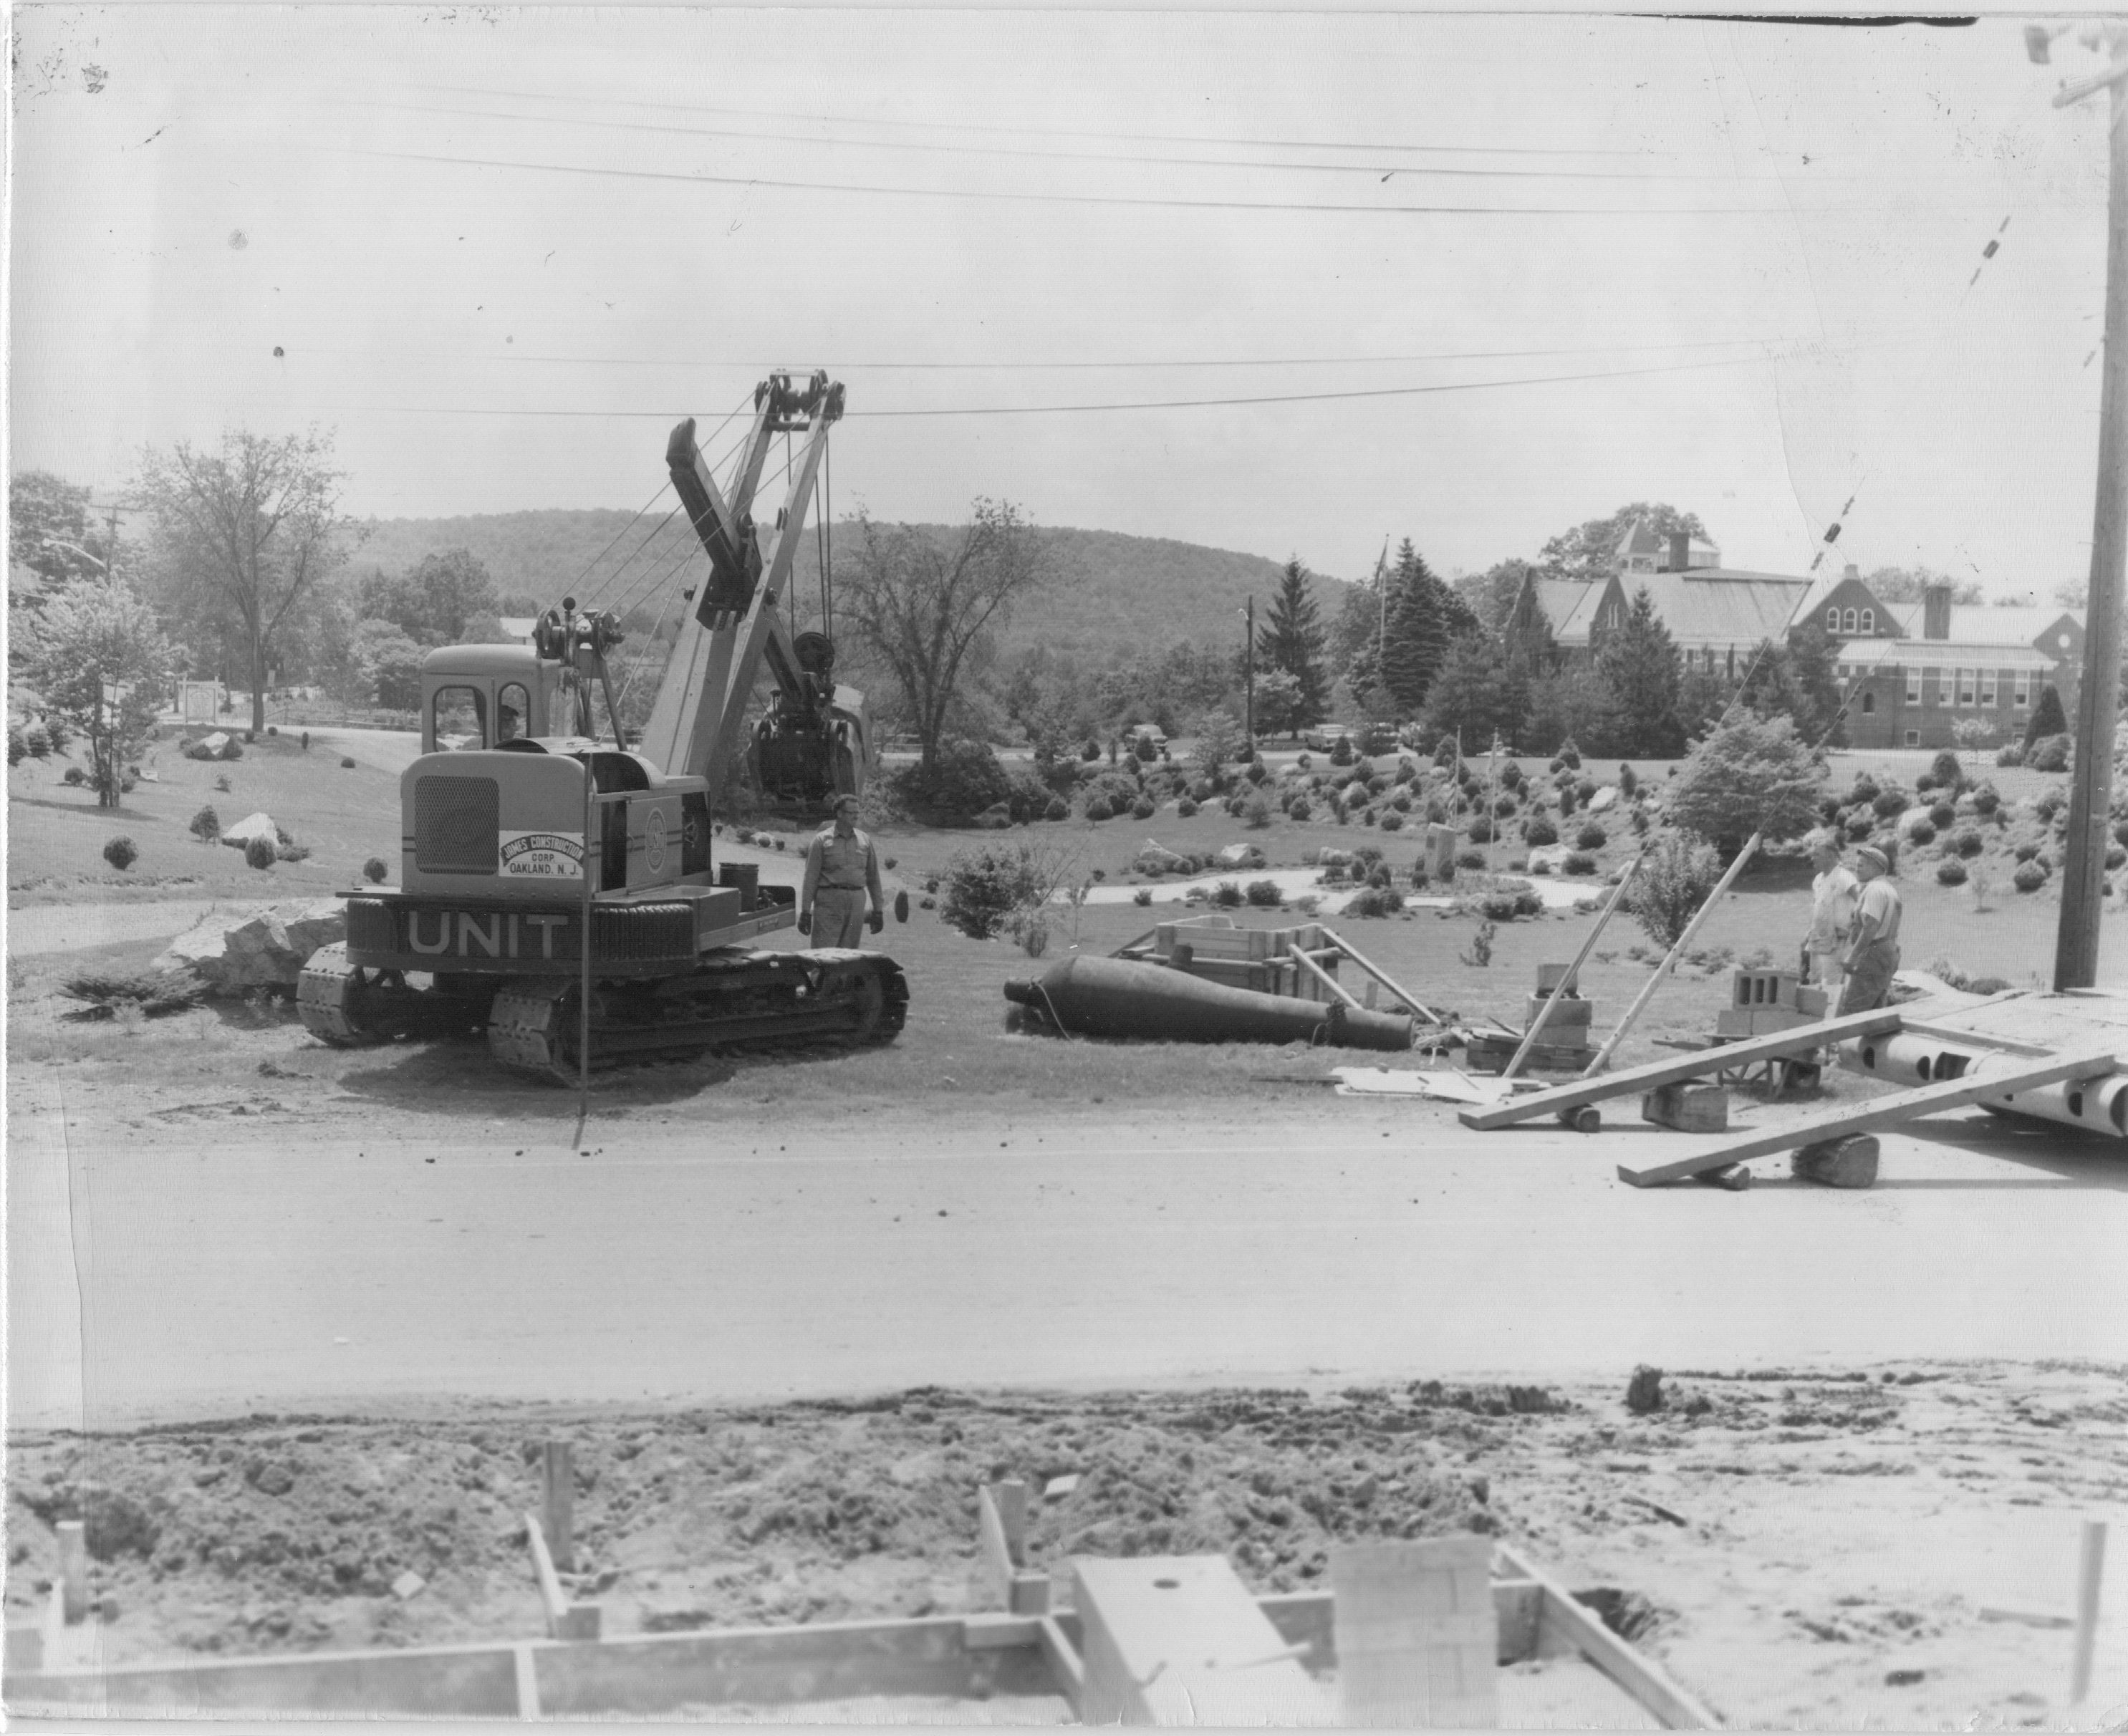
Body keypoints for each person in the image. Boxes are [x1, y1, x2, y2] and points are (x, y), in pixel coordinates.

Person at [799, 794, 885, 947]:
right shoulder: (821, 841)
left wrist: (878, 911)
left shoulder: (865, 840)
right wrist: (805, 912)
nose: (856, 816)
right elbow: (810, 878)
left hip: (857, 901)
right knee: (823, 952)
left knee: (850, 954)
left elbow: (873, 878)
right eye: (852, 813)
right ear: (839, 813)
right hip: (829, 901)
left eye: (858, 813)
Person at [1839, 844, 1903, 1014]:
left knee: (1851, 1010)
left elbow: (1871, 926)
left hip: (1873, 955)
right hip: (1889, 951)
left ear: (1875, 868)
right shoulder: (1889, 889)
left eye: (1861, 866)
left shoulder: (1874, 890)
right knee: (1875, 1011)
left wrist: (1853, 956)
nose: (1856, 870)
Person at [1802, 833, 1860, 1002]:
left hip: (1836, 941)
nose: (1813, 859)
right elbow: (1816, 908)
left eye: (1817, 855)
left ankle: (1833, 1021)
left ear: (1831, 855)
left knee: (1831, 985)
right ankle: (1815, 1020)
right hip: (1817, 940)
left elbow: (1862, 900)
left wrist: (1855, 926)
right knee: (1814, 981)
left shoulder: (1843, 876)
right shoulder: (1818, 880)